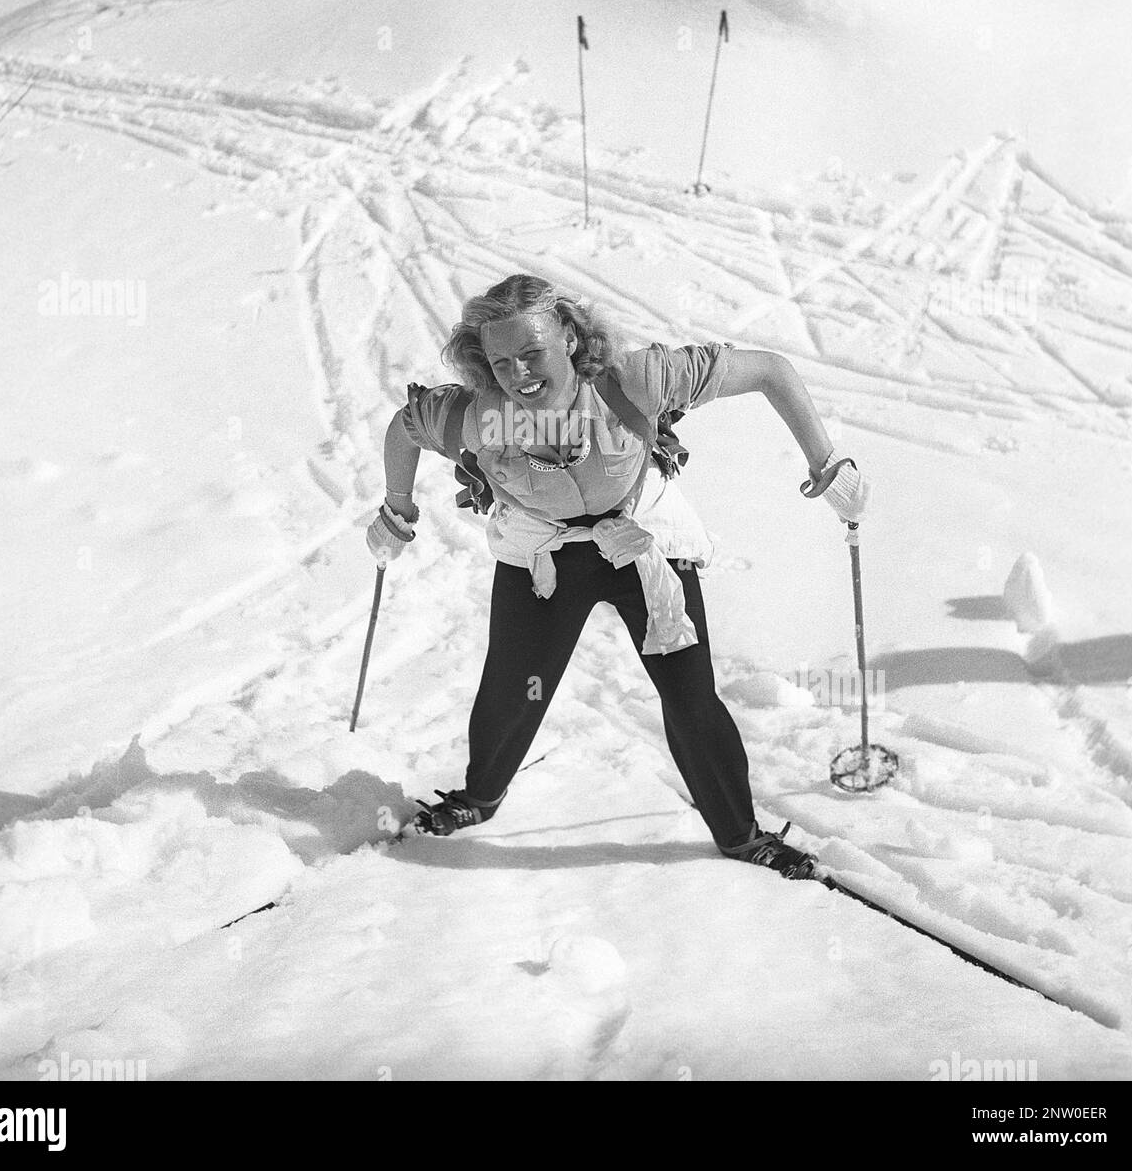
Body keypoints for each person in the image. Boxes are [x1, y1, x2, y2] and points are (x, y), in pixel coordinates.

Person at [365, 274, 867, 878]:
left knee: (689, 696)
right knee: (514, 685)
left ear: (570, 339)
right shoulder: (483, 419)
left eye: (532, 353)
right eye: (501, 362)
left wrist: (826, 462)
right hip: (543, 551)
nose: (519, 374)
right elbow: (405, 426)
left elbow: (769, 371)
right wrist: (397, 510)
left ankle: (739, 834)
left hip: (641, 539)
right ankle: (480, 797)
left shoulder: (633, 381)